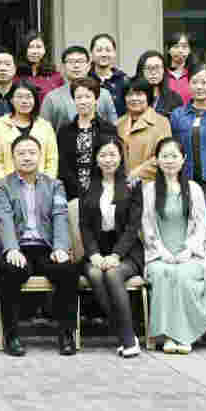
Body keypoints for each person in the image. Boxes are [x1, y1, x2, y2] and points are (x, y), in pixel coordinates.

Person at [0, 134, 80, 356]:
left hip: (46, 246)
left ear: (40, 156)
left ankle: (66, 334)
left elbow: (60, 216)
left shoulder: (55, 185)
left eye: (32, 152)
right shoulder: (1, 186)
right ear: (13, 158)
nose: (27, 157)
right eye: (21, 153)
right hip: (18, 246)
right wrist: (12, 248)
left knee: (68, 270)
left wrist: (60, 247)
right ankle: (12, 336)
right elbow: (3, 217)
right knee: (10, 270)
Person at [141, 137, 206, 355]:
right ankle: (169, 337)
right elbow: (146, 227)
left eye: (174, 156)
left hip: (191, 254)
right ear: (157, 160)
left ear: (183, 159)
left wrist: (187, 251)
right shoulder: (149, 190)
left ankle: (184, 336)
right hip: (158, 255)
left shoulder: (193, 189)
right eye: (165, 156)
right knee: (163, 274)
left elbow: (201, 226)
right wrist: (162, 252)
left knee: (183, 275)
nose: (169, 161)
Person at [79, 138, 144, 357]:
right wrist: (94, 254)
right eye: (103, 155)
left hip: (127, 250)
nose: (108, 160)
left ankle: (127, 340)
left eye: (112, 154)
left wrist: (116, 255)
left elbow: (133, 226)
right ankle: (126, 334)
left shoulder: (132, 184)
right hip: (97, 250)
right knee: (96, 274)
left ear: (120, 157)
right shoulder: (87, 185)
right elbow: (84, 225)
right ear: (96, 159)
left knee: (113, 273)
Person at [56, 77, 120, 201]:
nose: (83, 101)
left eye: (88, 97)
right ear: (73, 100)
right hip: (72, 195)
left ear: (96, 99)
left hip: (102, 192)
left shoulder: (108, 129)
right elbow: (63, 166)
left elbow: (111, 161)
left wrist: (94, 190)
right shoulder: (65, 131)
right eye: (79, 97)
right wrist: (79, 191)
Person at [0, 81, 58, 182]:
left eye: (29, 97)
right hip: (9, 186)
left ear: (35, 100)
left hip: (41, 186)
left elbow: (52, 160)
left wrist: (46, 185)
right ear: (11, 100)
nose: (24, 101)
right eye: (19, 97)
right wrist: (4, 186)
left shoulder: (45, 126)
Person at [40, 46, 118, 131]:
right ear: (62, 67)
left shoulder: (104, 94)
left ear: (88, 66)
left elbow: (113, 126)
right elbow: (44, 130)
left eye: (80, 61)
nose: (76, 66)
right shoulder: (52, 98)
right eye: (71, 62)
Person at [117, 81, 172, 183]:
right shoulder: (119, 123)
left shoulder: (161, 122)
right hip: (122, 184)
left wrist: (137, 173)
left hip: (150, 183)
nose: (134, 98)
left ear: (148, 97)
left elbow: (164, 154)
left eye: (139, 94)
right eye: (130, 95)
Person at [132, 50, 184, 116]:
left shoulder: (175, 98)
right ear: (141, 71)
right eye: (148, 68)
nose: (153, 72)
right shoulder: (132, 97)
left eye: (157, 67)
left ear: (164, 70)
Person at [16, 31, 63, 101]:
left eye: (39, 47)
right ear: (24, 50)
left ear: (45, 49)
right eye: (30, 47)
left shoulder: (56, 77)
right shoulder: (16, 75)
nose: (34, 51)